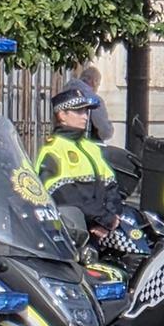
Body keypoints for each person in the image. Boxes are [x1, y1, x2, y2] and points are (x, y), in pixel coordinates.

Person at [35, 89, 125, 244]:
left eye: (85, 111)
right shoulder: (53, 150)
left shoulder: (92, 148)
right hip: (72, 234)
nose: (85, 116)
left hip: (102, 231)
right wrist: (101, 218)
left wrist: (111, 217)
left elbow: (111, 186)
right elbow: (64, 196)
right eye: (78, 111)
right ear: (62, 115)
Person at [63, 66, 114, 142]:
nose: (97, 88)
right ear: (94, 82)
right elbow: (104, 131)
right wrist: (110, 128)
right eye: (98, 84)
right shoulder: (94, 100)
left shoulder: (63, 94)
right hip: (83, 145)